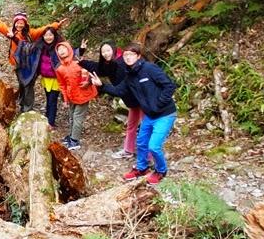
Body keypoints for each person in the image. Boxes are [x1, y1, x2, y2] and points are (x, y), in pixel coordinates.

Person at [89, 42, 177, 184]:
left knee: (153, 146)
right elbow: (119, 91)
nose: (128, 57)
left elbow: (169, 85)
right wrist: (102, 86)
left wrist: (159, 103)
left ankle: (161, 170)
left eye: (131, 55)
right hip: (150, 115)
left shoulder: (149, 69)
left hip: (165, 114)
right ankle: (142, 168)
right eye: (125, 55)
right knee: (142, 142)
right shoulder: (129, 76)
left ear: (138, 56)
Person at [0, 12, 63, 112]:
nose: (19, 25)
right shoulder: (11, 32)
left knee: (28, 86)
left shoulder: (31, 33)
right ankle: (22, 103)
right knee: (22, 84)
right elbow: (0, 25)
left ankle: (27, 108)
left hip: (30, 65)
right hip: (18, 64)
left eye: (21, 23)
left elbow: (43, 30)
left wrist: (56, 25)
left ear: (25, 24)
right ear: (14, 23)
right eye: (17, 23)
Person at [81, 41, 143, 160]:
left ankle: (147, 157)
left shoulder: (120, 64)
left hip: (140, 100)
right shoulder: (110, 63)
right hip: (132, 101)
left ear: (114, 50)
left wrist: (102, 86)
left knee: (145, 127)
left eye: (108, 50)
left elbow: (120, 90)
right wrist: (82, 61)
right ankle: (129, 150)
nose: (105, 53)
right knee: (131, 126)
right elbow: (98, 68)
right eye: (103, 51)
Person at [55, 41, 98, 150]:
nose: (61, 51)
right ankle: (71, 136)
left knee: (77, 117)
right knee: (71, 116)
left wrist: (88, 81)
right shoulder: (59, 68)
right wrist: (65, 99)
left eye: (64, 48)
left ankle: (75, 140)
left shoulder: (78, 62)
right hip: (71, 96)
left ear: (69, 49)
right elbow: (62, 85)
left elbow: (90, 73)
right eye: (59, 50)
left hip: (84, 94)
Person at [37, 27, 63, 127]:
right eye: (46, 35)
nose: (48, 37)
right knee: (48, 98)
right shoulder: (40, 46)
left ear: (54, 35)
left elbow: (70, 53)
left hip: (56, 79)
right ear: (43, 36)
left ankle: (50, 122)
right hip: (46, 78)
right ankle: (48, 117)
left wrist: (81, 50)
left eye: (50, 35)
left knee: (53, 100)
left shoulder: (58, 47)